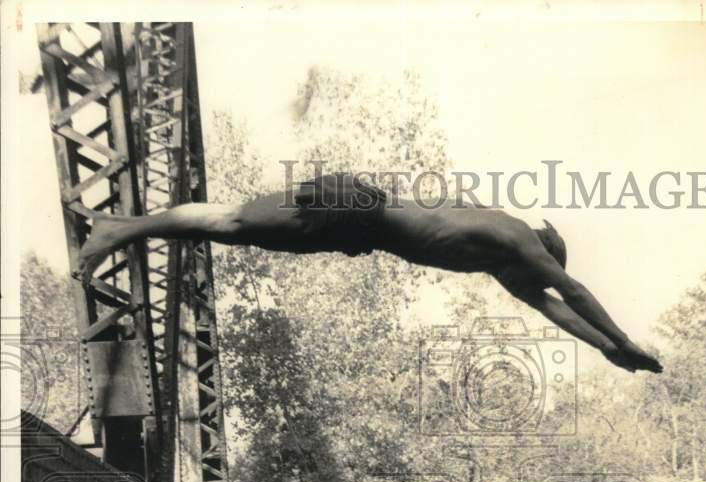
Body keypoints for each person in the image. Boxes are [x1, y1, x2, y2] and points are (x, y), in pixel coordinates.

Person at [74, 171, 662, 374]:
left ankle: (123, 226)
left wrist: (608, 351)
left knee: (227, 231)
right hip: (354, 208)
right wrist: (623, 336)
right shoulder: (512, 234)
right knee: (229, 222)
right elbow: (574, 293)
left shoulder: (503, 267)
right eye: (544, 265)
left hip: (355, 232)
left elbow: (555, 309)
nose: (538, 278)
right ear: (543, 248)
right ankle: (119, 229)